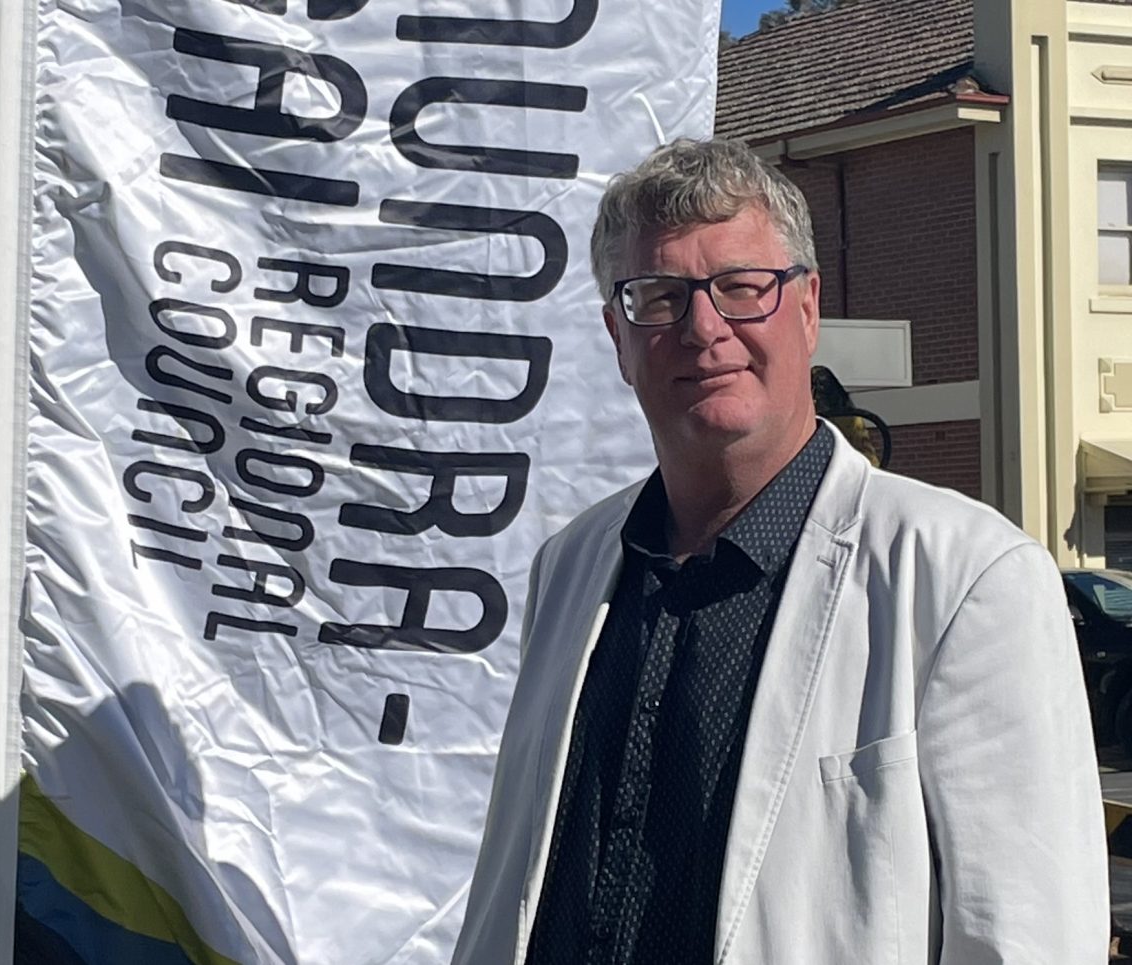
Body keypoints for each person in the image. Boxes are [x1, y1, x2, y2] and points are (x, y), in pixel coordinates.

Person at [451, 138, 1108, 964]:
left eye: (741, 287)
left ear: (806, 308)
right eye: (657, 296)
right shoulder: (572, 565)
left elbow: (1027, 935)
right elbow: (515, 880)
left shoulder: (967, 576)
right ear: (617, 334)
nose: (703, 327)